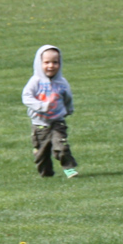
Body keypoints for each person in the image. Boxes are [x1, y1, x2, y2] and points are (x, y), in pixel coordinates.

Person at [21, 45, 79, 179]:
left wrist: (69, 109)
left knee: (61, 146)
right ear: (39, 63)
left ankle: (69, 168)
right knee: (42, 154)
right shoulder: (35, 81)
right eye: (46, 62)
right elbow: (27, 97)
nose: (51, 66)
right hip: (40, 125)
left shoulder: (62, 82)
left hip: (57, 122)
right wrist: (41, 106)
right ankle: (46, 174)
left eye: (55, 62)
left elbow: (68, 97)